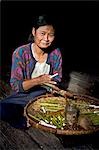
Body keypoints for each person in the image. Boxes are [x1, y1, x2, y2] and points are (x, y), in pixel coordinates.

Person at [0, 14, 63, 129]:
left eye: (51, 35)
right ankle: (24, 120)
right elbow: (16, 85)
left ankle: (31, 114)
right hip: (23, 95)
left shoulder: (55, 53)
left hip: (45, 96)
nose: (46, 39)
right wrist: (39, 80)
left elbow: (57, 80)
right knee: (1, 109)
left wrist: (50, 92)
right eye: (42, 33)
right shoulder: (20, 53)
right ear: (34, 31)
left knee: (65, 111)